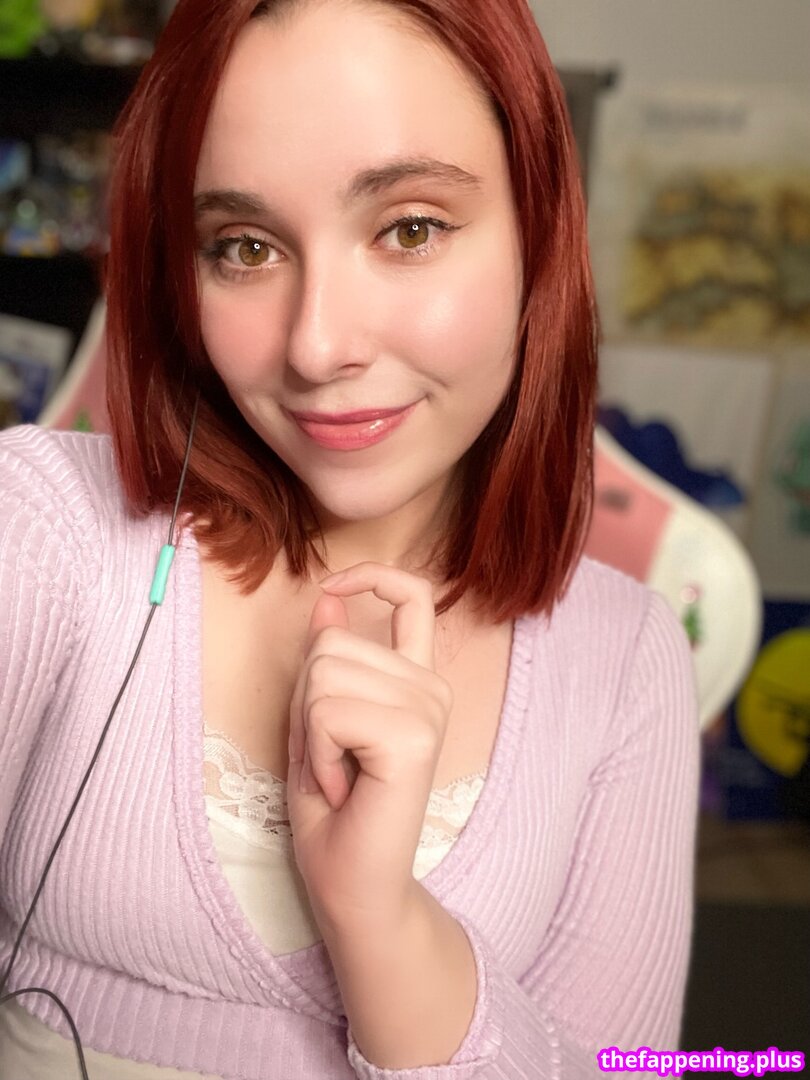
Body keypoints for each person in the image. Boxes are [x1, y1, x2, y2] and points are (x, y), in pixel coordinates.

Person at [0, 0, 701, 1076]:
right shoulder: (44, 529)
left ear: (540, 234)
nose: (318, 346)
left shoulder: (627, 658)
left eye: (409, 228)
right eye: (244, 248)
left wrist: (382, 920)